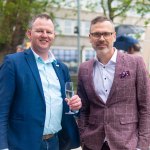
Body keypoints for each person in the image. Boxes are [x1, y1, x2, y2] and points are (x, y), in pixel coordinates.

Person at [0, 14, 81, 150]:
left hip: (55, 142)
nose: (45, 35)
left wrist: (75, 107)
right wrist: (3, 147)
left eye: (49, 32)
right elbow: (2, 109)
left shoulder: (62, 68)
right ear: (29, 33)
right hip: (23, 145)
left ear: (54, 35)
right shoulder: (13, 63)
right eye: (39, 31)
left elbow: (68, 106)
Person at [77, 16, 150, 150]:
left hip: (127, 143)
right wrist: (83, 137)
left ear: (114, 36)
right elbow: (83, 108)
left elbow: (146, 106)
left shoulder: (136, 63)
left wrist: (142, 145)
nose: (101, 38)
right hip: (93, 144)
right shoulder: (84, 69)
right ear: (90, 37)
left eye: (106, 33)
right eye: (96, 34)